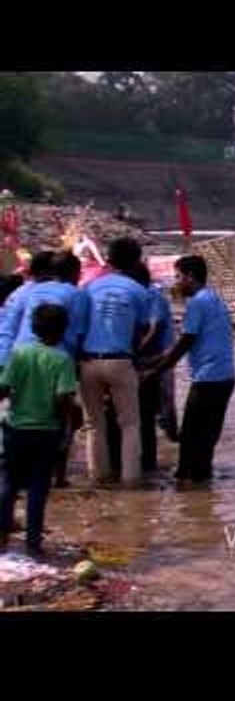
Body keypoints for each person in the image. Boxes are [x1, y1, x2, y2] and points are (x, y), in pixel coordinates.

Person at [143, 255, 235, 484]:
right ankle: (203, 485)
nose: (176, 283)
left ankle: (188, 487)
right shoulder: (214, 298)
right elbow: (185, 342)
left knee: (191, 438)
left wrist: (154, 372)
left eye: (178, 277)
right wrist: (154, 361)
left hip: (208, 378)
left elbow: (185, 342)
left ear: (190, 277)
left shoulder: (197, 303)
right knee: (207, 437)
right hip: (225, 376)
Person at [0, 304, 78, 555]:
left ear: (33, 327)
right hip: (46, 432)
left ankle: (2, 531)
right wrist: (64, 428)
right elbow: (63, 399)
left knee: (9, 482)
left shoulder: (19, 354)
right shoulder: (62, 359)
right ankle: (33, 541)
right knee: (38, 487)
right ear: (63, 330)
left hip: (16, 428)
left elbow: (3, 388)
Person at [79, 237, 151, 485]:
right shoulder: (138, 291)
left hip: (89, 361)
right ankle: (131, 481)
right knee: (130, 425)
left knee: (93, 424)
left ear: (109, 259)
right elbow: (142, 329)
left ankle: (99, 478)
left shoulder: (89, 287)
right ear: (136, 261)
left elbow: (81, 326)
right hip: (120, 361)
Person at [129, 262, 173, 473]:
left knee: (162, 409)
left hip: (158, 358)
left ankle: (164, 451)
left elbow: (155, 328)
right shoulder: (139, 295)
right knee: (145, 413)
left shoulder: (153, 296)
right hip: (143, 360)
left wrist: (134, 352)